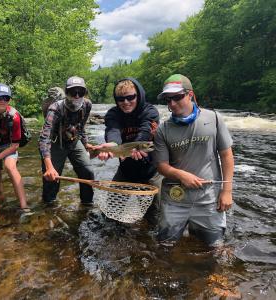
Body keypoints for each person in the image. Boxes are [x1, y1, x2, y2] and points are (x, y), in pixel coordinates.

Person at [153, 74, 234, 246]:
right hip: (175, 200)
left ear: (190, 95)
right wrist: (181, 175)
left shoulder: (214, 119)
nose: (172, 103)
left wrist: (227, 191)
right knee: (164, 247)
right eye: (168, 99)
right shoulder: (163, 130)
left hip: (208, 200)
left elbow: (226, 155)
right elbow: (161, 166)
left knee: (213, 248)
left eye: (177, 97)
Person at [94, 78, 161, 225]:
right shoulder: (113, 113)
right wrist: (111, 145)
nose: (125, 102)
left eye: (130, 97)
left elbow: (145, 131)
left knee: (155, 218)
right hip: (126, 170)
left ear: (139, 95)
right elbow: (113, 130)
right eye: (121, 99)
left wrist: (138, 146)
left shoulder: (150, 111)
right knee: (111, 214)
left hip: (151, 172)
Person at [39, 76, 94, 205]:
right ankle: (49, 206)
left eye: (80, 92)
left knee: (88, 171)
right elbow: (44, 138)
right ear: (66, 92)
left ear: (84, 93)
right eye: (72, 91)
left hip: (74, 141)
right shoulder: (55, 108)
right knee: (52, 178)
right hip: (55, 143)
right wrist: (49, 167)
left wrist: (86, 144)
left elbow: (81, 126)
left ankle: (87, 204)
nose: (76, 95)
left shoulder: (87, 105)